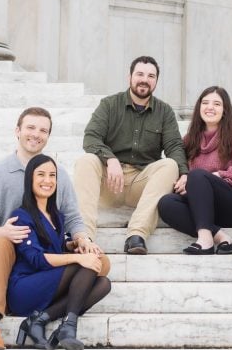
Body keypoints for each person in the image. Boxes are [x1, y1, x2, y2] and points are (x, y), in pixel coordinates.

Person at [0, 107, 106, 350]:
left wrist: (80, 239)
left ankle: (45, 316)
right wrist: (1, 232)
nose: (36, 134)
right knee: (4, 244)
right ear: (18, 131)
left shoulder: (58, 175)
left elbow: (72, 217)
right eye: (30, 127)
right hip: (8, 256)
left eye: (43, 130)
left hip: (44, 254)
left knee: (99, 262)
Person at [73, 55, 187, 255]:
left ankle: (137, 234)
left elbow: (174, 146)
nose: (145, 79)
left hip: (140, 184)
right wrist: (110, 159)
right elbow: (91, 138)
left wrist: (184, 173)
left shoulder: (165, 112)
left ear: (156, 81)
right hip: (110, 181)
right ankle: (84, 236)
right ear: (130, 77)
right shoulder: (109, 105)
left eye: (151, 76)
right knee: (86, 160)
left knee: (170, 165)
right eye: (140, 74)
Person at [9, 154, 111, 350]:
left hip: (47, 283)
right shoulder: (21, 216)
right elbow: (37, 259)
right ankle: (68, 327)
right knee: (84, 263)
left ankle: (42, 320)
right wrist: (78, 257)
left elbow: (53, 245)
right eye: (41, 175)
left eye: (52, 175)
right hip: (24, 289)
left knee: (103, 284)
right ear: (30, 178)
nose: (47, 180)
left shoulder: (56, 216)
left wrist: (74, 245)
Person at [158, 86, 232, 253]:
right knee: (166, 204)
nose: (210, 107)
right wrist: (183, 176)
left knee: (197, 176)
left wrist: (217, 175)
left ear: (225, 110)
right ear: (199, 108)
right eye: (205, 103)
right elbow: (178, 167)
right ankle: (221, 237)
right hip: (204, 210)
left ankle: (205, 240)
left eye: (217, 104)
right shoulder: (190, 140)